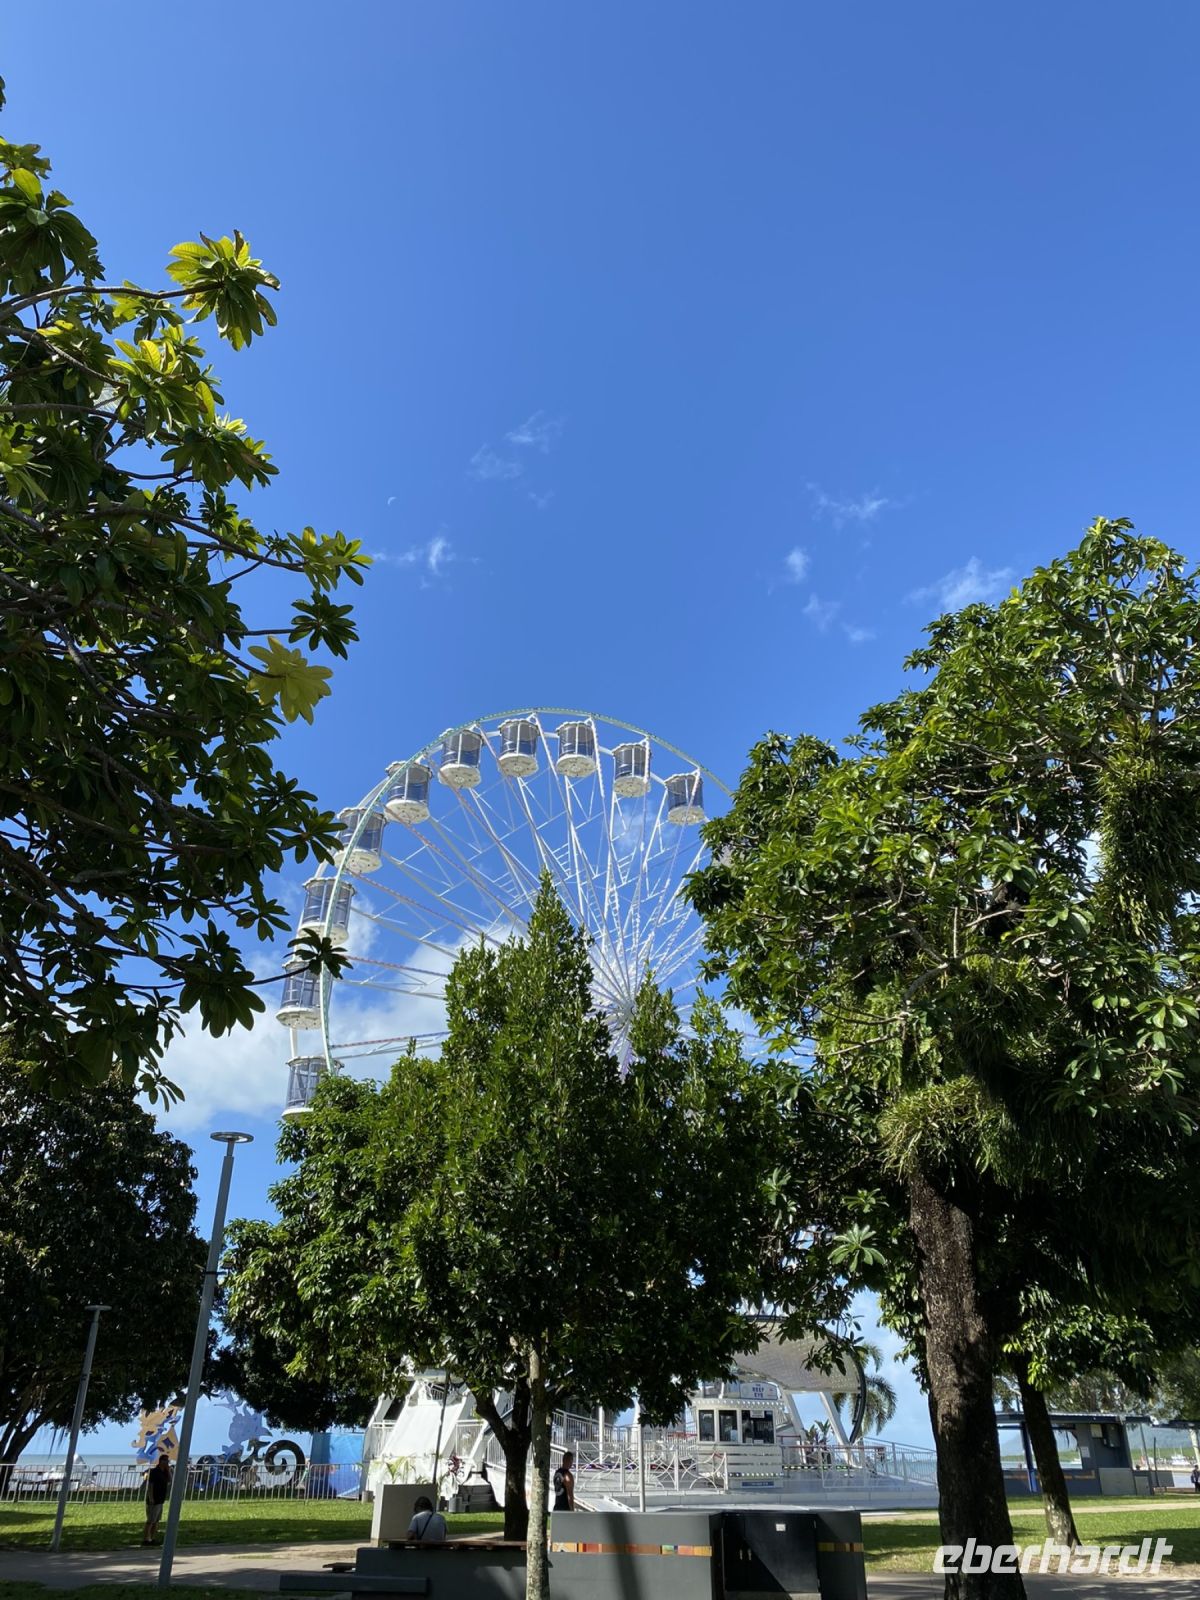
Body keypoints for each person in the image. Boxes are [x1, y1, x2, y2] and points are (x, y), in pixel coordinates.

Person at [142, 1453, 172, 1546]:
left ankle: (152, 1538)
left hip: (160, 1499)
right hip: (153, 1499)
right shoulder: (154, 1472)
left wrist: (168, 1470)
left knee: (156, 1520)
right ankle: (146, 1539)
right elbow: (150, 1486)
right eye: (166, 1461)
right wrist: (151, 1497)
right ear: (161, 1461)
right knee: (151, 1520)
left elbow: (170, 1480)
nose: (167, 1463)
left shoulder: (165, 1472)